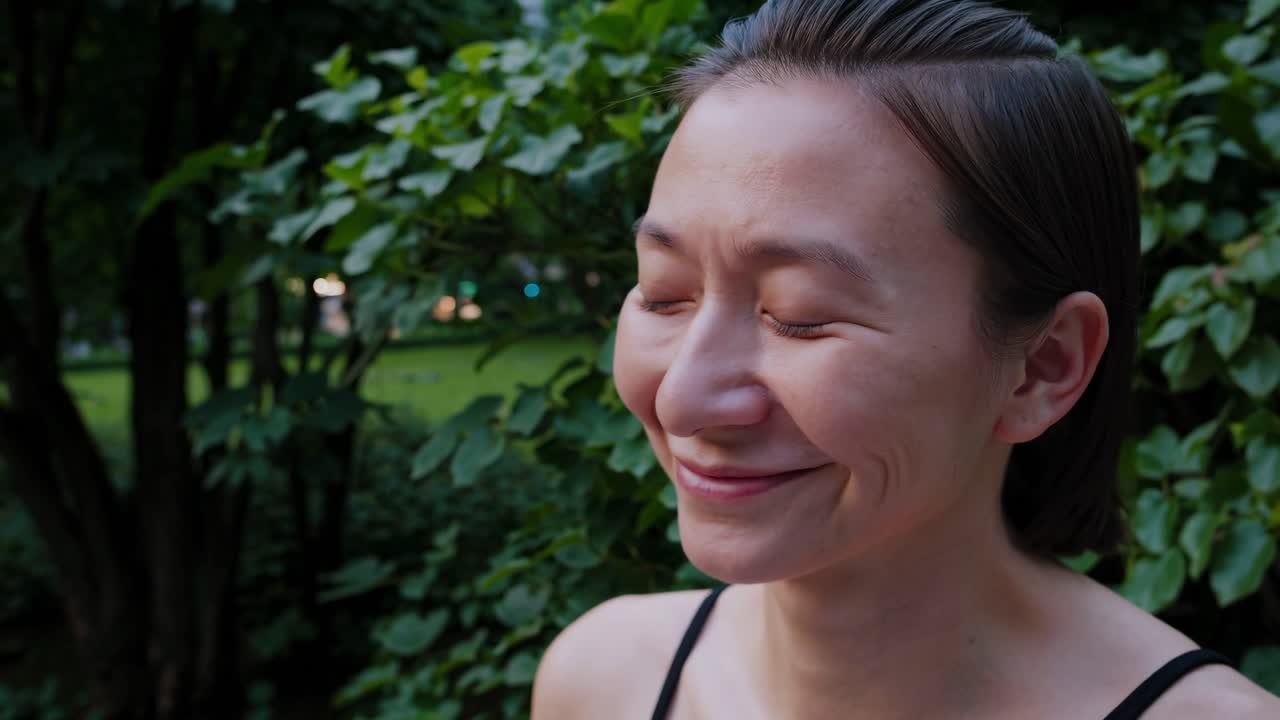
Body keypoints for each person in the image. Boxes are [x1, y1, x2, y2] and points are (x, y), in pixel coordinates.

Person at [531, 1, 1280, 718]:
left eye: (800, 316)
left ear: (1043, 366)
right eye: (664, 294)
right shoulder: (604, 681)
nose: (682, 399)